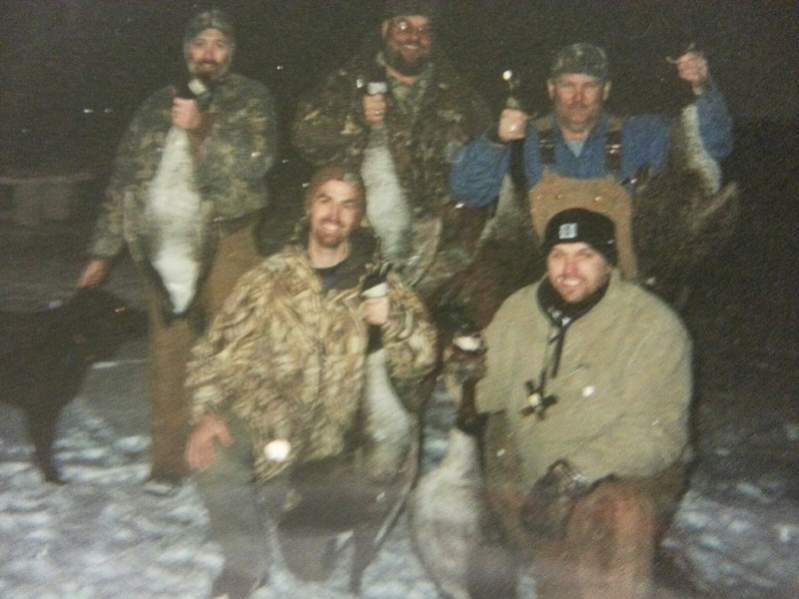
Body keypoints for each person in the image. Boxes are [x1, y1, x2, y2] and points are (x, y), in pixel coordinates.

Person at [185, 166, 437, 598]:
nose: (334, 214)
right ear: (309, 206)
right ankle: (246, 565)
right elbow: (215, 352)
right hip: (272, 426)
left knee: (312, 572)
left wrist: (393, 321)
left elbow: (424, 357)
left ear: (360, 218)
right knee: (212, 453)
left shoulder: (381, 284)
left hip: (337, 449)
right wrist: (206, 412)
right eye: (326, 200)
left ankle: (308, 515)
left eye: (347, 205)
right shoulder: (269, 277)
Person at [77, 9, 277, 483]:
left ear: (232, 52)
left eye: (219, 45)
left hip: (230, 241)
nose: (208, 54)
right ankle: (168, 462)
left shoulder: (252, 98)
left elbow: (256, 161)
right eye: (200, 43)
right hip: (165, 246)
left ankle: (237, 455)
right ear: (185, 49)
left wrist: (201, 127)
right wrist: (102, 252)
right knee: (170, 355)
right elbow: (126, 180)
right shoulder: (154, 105)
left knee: (238, 350)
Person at [475, 208, 692, 599]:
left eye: (585, 255)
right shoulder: (518, 311)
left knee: (622, 513)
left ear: (609, 263)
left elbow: (657, 434)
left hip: (616, 474)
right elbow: (484, 394)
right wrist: (463, 370)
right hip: (531, 473)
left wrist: (574, 473)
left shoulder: (651, 326)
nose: (569, 269)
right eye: (558, 255)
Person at [450, 42, 734, 281]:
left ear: (606, 90)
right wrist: (496, 140)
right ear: (551, 89)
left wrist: (703, 87)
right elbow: (469, 191)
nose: (577, 98)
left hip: (623, 295)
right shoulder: (524, 140)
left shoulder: (641, 134)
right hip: (540, 291)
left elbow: (714, 145)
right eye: (567, 85)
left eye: (589, 86)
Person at [291, 0, 490, 305]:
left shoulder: (460, 95)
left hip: (439, 254)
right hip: (363, 244)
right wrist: (357, 116)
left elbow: (486, 168)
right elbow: (303, 136)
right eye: (403, 26)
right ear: (385, 30)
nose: (414, 36)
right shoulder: (347, 83)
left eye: (424, 30)